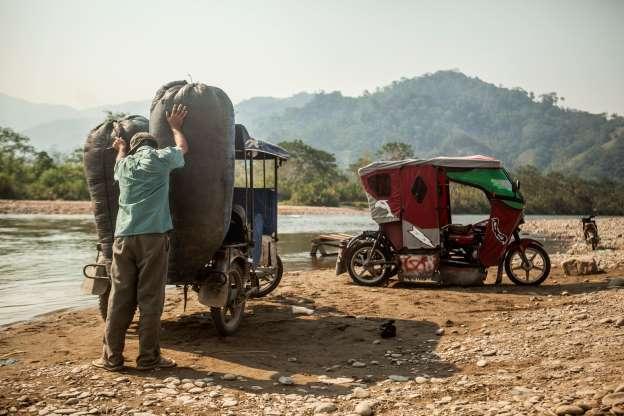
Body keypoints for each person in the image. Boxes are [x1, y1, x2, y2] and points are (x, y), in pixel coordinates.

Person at [92, 104, 189, 371]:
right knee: (150, 299)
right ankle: (148, 358)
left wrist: (120, 148)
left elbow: (119, 159)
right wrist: (176, 127)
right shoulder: (160, 159)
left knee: (119, 298)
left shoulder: (123, 166)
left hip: (122, 239)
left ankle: (111, 358)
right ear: (152, 145)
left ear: (133, 149)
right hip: (153, 238)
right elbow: (183, 149)